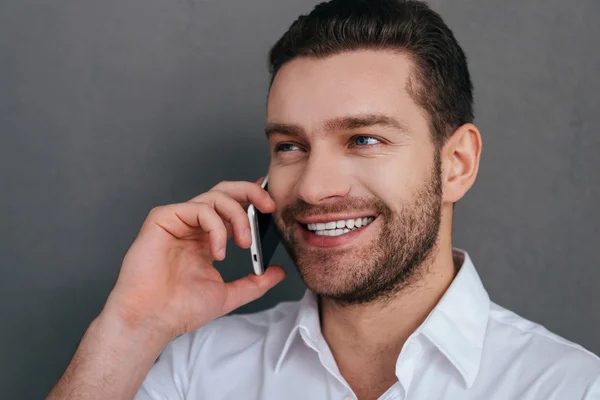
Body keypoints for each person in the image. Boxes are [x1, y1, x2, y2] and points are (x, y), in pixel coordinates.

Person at [47, 0, 600, 399]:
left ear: (456, 164)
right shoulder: (199, 370)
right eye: (290, 146)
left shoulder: (570, 388)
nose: (312, 188)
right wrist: (131, 328)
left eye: (364, 139)